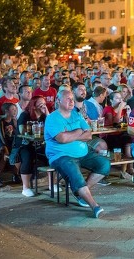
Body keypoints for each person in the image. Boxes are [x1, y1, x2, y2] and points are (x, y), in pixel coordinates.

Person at [44, 90, 109, 218]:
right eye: (67, 99)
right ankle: (95, 206)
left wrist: (71, 134)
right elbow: (61, 139)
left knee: (104, 164)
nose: (71, 101)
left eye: (72, 99)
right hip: (61, 155)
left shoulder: (77, 115)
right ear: (58, 101)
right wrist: (79, 131)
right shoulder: (52, 118)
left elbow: (89, 135)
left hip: (83, 153)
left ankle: (79, 192)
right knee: (76, 175)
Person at [0, 103, 19, 186]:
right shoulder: (1, 121)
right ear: (7, 111)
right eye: (13, 110)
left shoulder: (14, 120)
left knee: (18, 152)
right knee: (5, 154)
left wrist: (15, 123)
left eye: (15, 110)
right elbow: (1, 135)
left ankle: (16, 174)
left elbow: (17, 134)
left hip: (11, 142)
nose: (15, 111)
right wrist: (6, 146)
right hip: (1, 141)